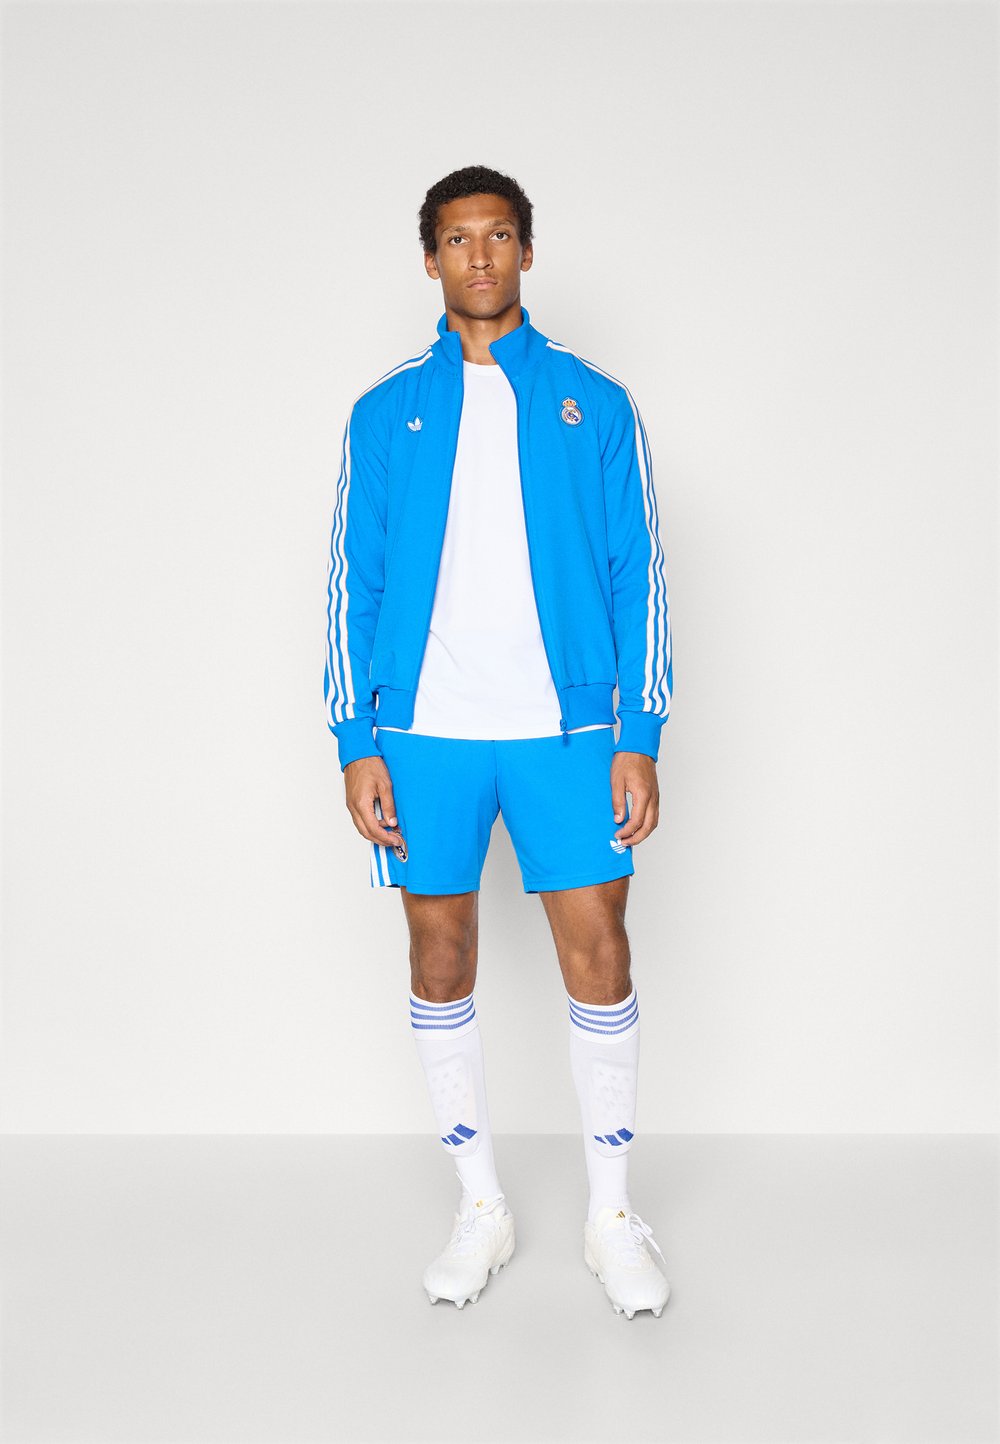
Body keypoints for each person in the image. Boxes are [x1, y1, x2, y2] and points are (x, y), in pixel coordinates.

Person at [324, 165, 673, 1320]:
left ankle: (611, 1214)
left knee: (600, 949)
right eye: (457, 239)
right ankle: (481, 1203)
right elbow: (353, 582)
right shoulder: (384, 411)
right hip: (423, 729)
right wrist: (356, 738)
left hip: (567, 727)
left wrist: (637, 729)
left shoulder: (592, 402)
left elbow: (637, 571)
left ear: (527, 249)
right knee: (438, 958)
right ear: (429, 258)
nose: (479, 255)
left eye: (499, 235)